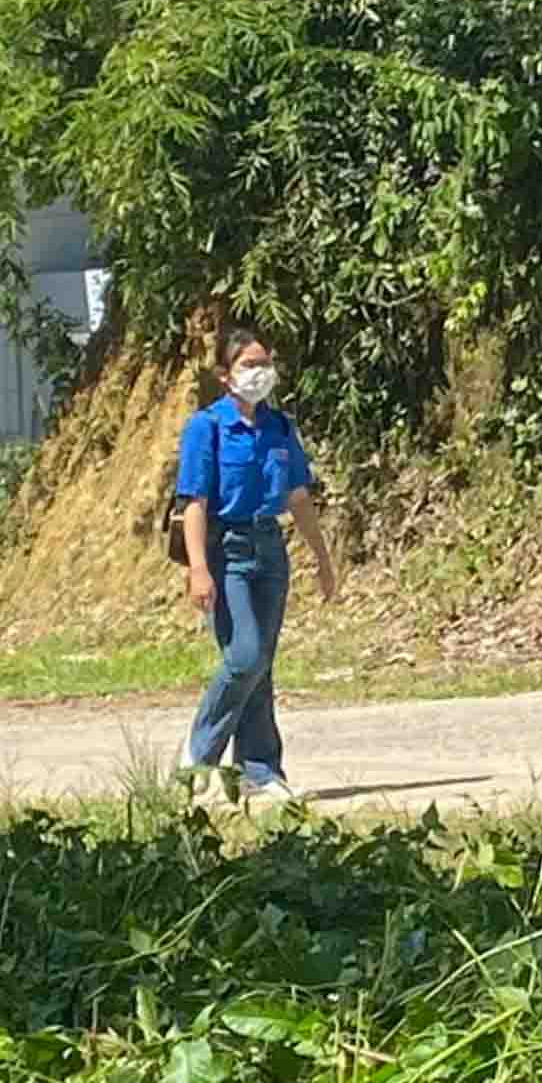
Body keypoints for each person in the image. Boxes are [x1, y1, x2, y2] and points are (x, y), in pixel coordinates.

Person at [172, 301, 339, 802]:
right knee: (243, 655)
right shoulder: (208, 427)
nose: (259, 373)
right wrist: (199, 568)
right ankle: (198, 755)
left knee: (261, 661)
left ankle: (259, 767)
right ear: (225, 376)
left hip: (270, 547)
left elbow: (298, 496)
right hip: (228, 549)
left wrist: (322, 558)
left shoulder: (279, 428)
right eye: (248, 365)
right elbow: (195, 501)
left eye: (264, 364)